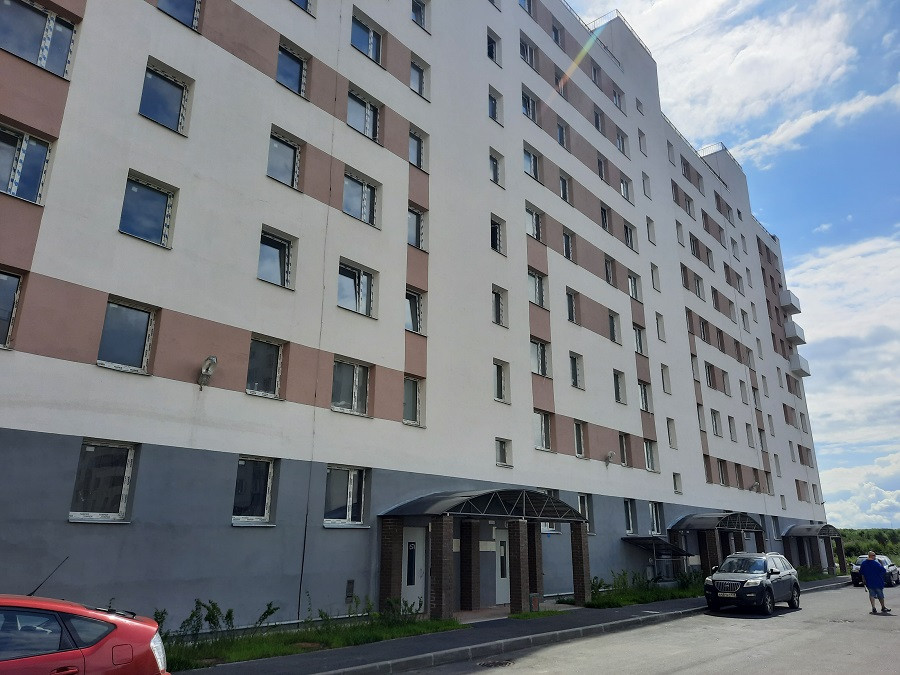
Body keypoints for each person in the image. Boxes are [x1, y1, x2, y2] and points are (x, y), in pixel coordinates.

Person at [859, 551, 891, 615]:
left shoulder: (863, 563)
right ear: (871, 556)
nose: (875, 556)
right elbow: (883, 570)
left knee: (871, 595)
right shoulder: (875, 563)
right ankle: (883, 607)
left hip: (869, 582)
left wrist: (863, 580)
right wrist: (881, 564)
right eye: (874, 555)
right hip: (877, 581)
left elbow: (862, 573)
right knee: (880, 595)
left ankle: (873, 608)